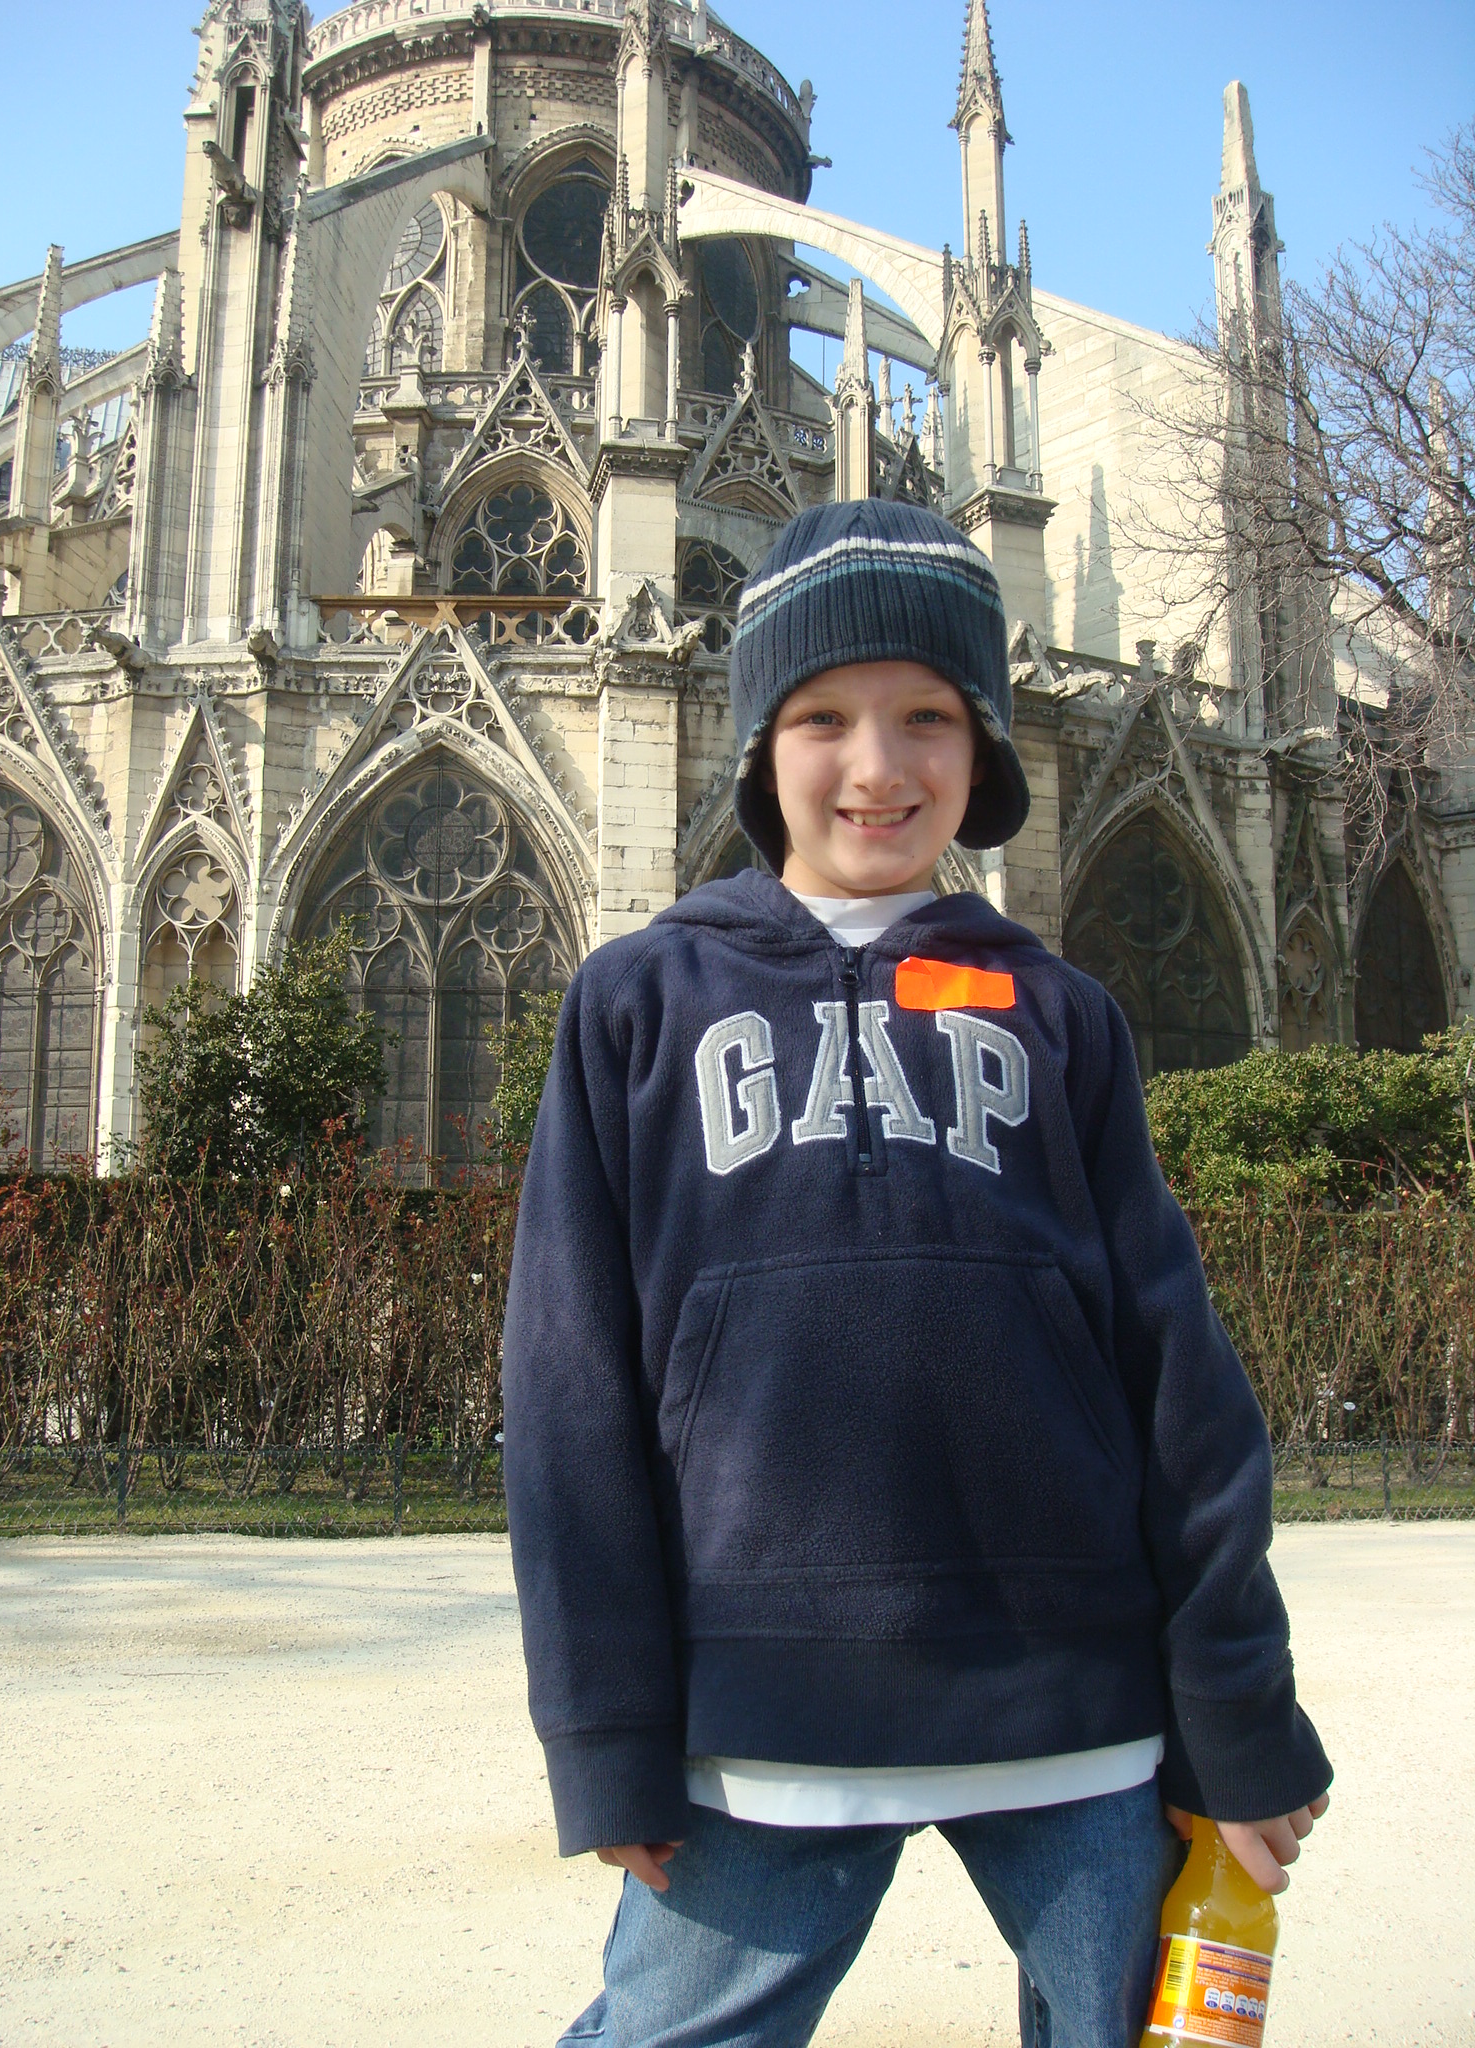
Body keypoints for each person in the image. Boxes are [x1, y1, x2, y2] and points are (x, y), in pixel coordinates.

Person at [502, 498, 1331, 2048]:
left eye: (926, 718)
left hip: (1077, 1709)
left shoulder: (1062, 1014)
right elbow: (569, 1394)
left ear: (984, 749)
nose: (876, 768)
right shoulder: (637, 1004)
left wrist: (1237, 1717)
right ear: (757, 745)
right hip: (763, 1717)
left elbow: (1178, 1384)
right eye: (822, 717)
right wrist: (606, 1734)